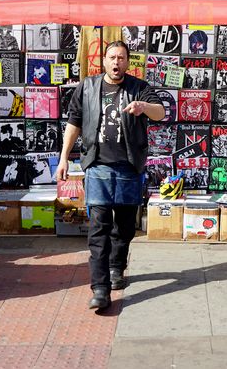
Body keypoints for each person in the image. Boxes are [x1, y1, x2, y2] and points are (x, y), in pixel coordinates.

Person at [55, 41, 164, 310]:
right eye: (112, 58)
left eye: (122, 58)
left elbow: (160, 113)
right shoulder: (88, 87)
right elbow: (74, 123)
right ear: (104, 61)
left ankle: (117, 267)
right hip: (98, 166)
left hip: (128, 167)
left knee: (125, 227)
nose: (117, 63)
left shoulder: (139, 88)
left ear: (128, 62)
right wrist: (63, 158)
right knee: (98, 229)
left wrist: (142, 106)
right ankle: (100, 288)